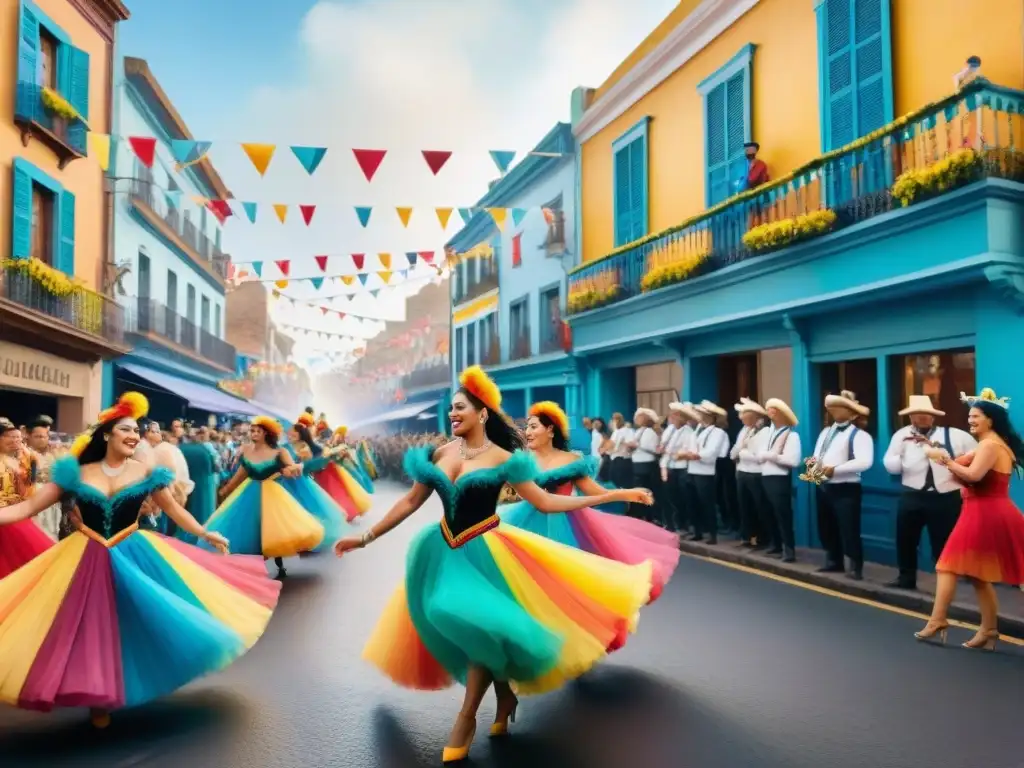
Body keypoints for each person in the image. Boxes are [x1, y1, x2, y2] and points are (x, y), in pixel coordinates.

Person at [337, 366, 654, 763]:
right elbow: (408, 502)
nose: (452, 415)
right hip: (440, 550)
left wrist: (609, 496)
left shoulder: (505, 459)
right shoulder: (439, 453)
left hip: (487, 551)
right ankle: (504, 695)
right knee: (450, 618)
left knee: (474, 621)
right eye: (450, 409)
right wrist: (364, 538)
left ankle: (466, 716)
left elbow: (546, 501)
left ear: (482, 413)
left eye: (460, 409)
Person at [0, 393, 280, 727]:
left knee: (137, 620)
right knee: (90, 627)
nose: (135, 435)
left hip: (134, 551)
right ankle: (98, 700)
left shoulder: (148, 472)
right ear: (107, 435)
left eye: (137, 430)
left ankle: (130, 681)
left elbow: (175, 509)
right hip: (84, 555)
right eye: (126, 430)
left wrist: (205, 533)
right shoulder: (74, 472)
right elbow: (29, 507)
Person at [501, 400, 679, 601]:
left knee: (565, 586)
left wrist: (624, 493)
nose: (528, 433)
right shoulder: (522, 461)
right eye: (527, 428)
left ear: (550, 430)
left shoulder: (572, 460)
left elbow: (593, 492)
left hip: (567, 525)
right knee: (526, 583)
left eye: (533, 427)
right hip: (527, 524)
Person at [915, 388, 1024, 650]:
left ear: (991, 419)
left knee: (947, 565)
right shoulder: (992, 444)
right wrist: (948, 461)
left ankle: (938, 619)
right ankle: (988, 631)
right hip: (981, 511)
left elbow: (973, 476)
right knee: (977, 575)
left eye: (976, 416)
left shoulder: (990, 445)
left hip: (986, 513)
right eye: (970, 416)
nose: (971, 420)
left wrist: (946, 460)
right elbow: (962, 475)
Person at [205, 416, 323, 579]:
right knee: (250, 529)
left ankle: (279, 566)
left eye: (257, 431)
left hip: (273, 494)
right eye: (252, 430)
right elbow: (242, 473)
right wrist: (226, 489)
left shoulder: (280, 451)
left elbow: (291, 471)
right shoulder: (246, 450)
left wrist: (289, 471)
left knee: (273, 529)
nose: (253, 433)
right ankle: (253, 567)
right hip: (249, 493)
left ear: (267, 433)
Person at [882, 395, 976, 590]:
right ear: (911, 417)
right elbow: (889, 463)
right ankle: (906, 578)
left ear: (934, 417)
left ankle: (945, 584)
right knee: (906, 539)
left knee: (943, 543)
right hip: (912, 495)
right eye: (918, 415)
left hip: (946, 497)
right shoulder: (901, 436)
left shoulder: (956, 435)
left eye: (927, 414)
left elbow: (978, 457)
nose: (923, 418)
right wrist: (900, 460)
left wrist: (961, 466)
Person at [807, 390, 874, 580]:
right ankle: (833, 560)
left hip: (846, 487)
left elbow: (864, 462)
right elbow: (818, 454)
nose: (834, 410)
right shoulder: (825, 432)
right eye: (833, 407)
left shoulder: (861, 436)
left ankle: (854, 566)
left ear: (852, 413)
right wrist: (813, 466)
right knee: (826, 525)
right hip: (823, 486)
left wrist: (835, 469)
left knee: (849, 527)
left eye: (840, 407)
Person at [289, 412, 370, 522]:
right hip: (314, 473)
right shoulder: (295, 446)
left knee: (333, 493)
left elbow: (323, 456)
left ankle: (344, 514)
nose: (290, 436)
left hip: (323, 472)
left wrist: (309, 464)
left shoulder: (310, 445)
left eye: (293, 434)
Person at [0, 418, 54, 577]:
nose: (14, 441)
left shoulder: (19, 460)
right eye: (8, 437)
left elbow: (28, 488)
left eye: (16, 437)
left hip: (17, 517)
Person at [757, 398, 802, 562]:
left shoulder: (791, 435)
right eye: (768, 410)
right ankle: (775, 544)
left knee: (783, 514)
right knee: (768, 512)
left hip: (780, 478)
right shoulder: (768, 433)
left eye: (773, 410)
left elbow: (794, 461)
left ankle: (789, 549)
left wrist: (772, 456)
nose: (770, 413)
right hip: (765, 476)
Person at [680, 401, 729, 544]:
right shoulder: (697, 429)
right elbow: (689, 446)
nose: (699, 416)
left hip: (705, 471)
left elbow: (712, 452)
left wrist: (695, 455)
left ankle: (712, 534)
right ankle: (697, 531)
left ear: (710, 416)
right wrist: (687, 453)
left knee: (707, 503)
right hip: (692, 469)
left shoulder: (717, 432)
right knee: (693, 502)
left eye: (702, 414)